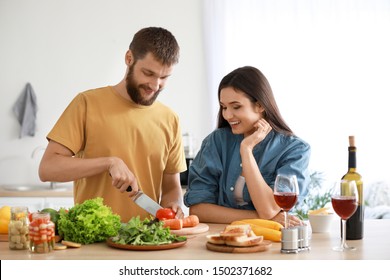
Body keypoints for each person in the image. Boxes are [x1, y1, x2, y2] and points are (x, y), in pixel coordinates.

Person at [39, 27, 186, 222]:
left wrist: (174, 204)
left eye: (164, 77)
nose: (155, 85)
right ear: (129, 58)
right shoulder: (87, 103)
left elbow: (171, 188)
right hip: (95, 242)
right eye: (148, 73)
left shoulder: (170, 119)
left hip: (146, 241)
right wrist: (108, 162)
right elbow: (47, 169)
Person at [184, 66, 311, 226]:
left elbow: (268, 209)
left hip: (272, 242)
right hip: (222, 239)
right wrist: (260, 219)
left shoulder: (295, 150)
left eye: (236, 106)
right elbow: (198, 210)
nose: (227, 115)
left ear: (260, 105)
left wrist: (246, 150)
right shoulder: (216, 141)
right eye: (224, 107)